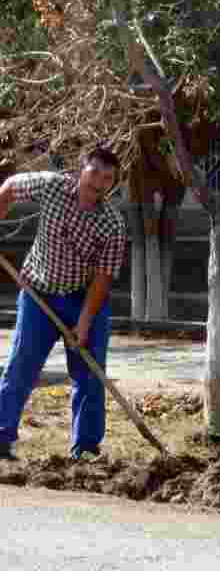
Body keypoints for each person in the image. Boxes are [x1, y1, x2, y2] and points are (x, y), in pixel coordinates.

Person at [0, 147, 127, 461]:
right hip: (37, 294)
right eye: (94, 172)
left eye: (107, 178)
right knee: (21, 366)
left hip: (84, 300)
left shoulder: (112, 223)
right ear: (81, 168)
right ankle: (0, 437)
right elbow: (9, 187)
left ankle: (84, 448)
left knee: (90, 374)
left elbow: (103, 278)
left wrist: (83, 323)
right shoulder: (52, 185)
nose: (98, 182)